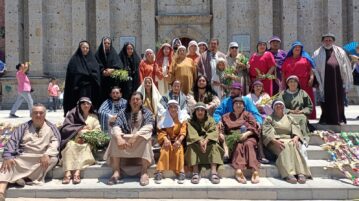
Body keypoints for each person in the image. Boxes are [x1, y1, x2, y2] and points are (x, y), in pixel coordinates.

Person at [0, 104, 61, 201]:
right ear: (31, 115)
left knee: (53, 159)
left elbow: (55, 142)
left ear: (45, 115)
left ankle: (25, 178)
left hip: (41, 157)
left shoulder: (51, 128)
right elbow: (13, 141)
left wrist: (47, 154)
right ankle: (1, 192)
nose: (38, 115)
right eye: (35, 113)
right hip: (24, 156)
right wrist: (8, 156)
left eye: (41, 113)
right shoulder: (23, 127)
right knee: (8, 163)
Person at [104, 92, 154, 186]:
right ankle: (116, 172)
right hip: (125, 142)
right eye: (133, 99)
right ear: (130, 102)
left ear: (141, 102)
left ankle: (144, 172)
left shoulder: (146, 112)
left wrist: (136, 136)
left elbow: (150, 126)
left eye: (137, 99)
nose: (135, 101)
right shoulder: (123, 112)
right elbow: (116, 126)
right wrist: (119, 138)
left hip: (138, 141)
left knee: (146, 138)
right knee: (115, 138)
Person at [213, 82, 269, 164]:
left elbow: (255, 112)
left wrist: (258, 121)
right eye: (232, 89)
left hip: (244, 126)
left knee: (257, 127)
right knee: (221, 130)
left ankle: (261, 155)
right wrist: (218, 120)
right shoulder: (226, 101)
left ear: (240, 91)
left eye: (235, 89)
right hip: (230, 125)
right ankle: (226, 153)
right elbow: (217, 113)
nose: (232, 91)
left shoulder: (247, 100)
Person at [262, 100, 311, 184]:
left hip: (289, 139)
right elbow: (266, 132)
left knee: (293, 145)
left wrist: (296, 137)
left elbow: (296, 128)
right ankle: (288, 173)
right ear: (273, 107)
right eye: (276, 105)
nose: (279, 106)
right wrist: (275, 141)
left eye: (280, 105)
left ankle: (300, 172)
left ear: (283, 107)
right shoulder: (269, 118)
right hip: (275, 141)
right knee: (285, 146)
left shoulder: (289, 118)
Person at [312, 33, 353, 125]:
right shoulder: (317, 53)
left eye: (330, 40)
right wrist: (316, 81)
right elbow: (314, 68)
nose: (328, 42)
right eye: (326, 40)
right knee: (324, 101)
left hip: (338, 80)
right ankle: (325, 119)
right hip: (324, 81)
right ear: (322, 41)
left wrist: (345, 81)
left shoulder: (340, 51)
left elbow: (346, 66)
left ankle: (339, 119)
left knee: (339, 100)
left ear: (333, 41)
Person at [60, 97, 101, 185]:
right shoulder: (73, 115)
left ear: (91, 105)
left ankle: (77, 172)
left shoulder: (94, 117)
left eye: (88, 104)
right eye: (83, 103)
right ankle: (67, 172)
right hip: (74, 140)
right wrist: (79, 130)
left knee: (84, 147)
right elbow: (65, 129)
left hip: (87, 142)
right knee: (69, 145)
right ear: (79, 105)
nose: (86, 105)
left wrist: (87, 132)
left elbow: (98, 131)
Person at [220, 97, 260, 184]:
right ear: (233, 106)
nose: (238, 105)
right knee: (238, 146)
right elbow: (222, 130)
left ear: (244, 106)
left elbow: (253, 127)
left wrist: (245, 134)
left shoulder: (248, 114)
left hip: (248, 135)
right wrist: (221, 135)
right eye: (236, 104)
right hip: (233, 137)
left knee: (249, 144)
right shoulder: (226, 116)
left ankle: (255, 171)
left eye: (240, 104)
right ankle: (238, 171)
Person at [185, 102, 224, 184]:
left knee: (214, 146)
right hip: (196, 142)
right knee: (191, 146)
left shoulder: (211, 120)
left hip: (208, 142)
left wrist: (206, 141)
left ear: (205, 112)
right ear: (195, 112)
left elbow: (213, 131)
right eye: (198, 110)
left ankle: (213, 173)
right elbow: (192, 133)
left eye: (202, 110)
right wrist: (200, 141)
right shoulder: (190, 121)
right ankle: (195, 172)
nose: (200, 112)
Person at [154, 100, 189, 184]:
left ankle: (181, 171)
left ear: (178, 108)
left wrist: (179, 140)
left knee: (179, 149)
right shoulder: (164, 117)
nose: (173, 109)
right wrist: (165, 139)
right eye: (171, 107)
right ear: (168, 108)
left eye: (175, 107)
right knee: (165, 149)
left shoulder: (182, 119)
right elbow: (160, 131)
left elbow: (183, 131)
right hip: (167, 140)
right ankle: (159, 171)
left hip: (178, 140)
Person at [63, 41, 101, 115]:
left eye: (87, 48)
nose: (85, 49)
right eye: (83, 47)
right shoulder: (74, 60)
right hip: (78, 90)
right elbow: (72, 75)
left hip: (90, 89)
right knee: (79, 108)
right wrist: (85, 75)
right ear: (80, 48)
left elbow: (97, 73)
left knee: (89, 108)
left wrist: (90, 75)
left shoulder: (93, 60)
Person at [282, 41, 316, 119]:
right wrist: (283, 83)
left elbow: (311, 70)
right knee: (292, 99)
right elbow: (283, 73)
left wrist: (311, 78)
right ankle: (293, 113)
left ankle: (309, 115)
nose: (297, 49)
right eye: (296, 47)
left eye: (299, 47)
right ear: (292, 49)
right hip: (291, 83)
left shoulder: (305, 59)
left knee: (306, 98)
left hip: (304, 82)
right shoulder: (287, 60)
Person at [278, 75, 313, 143]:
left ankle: (302, 138)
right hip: (287, 114)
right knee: (288, 119)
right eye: (291, 82)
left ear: (297, 83)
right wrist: (290, 111)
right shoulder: (283, 94)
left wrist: (302, 111)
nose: (293, 83)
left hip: (300, 114)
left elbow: (309, 106)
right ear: (287, 84)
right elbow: (279, 106)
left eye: (295, 82)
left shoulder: (303, 93)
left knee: (302, 118)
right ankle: (291, 136)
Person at [95, 37, 123, 103]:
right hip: (102, 82)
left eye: (108, 43)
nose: (107, 44)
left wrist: (112, 70)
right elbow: (95, 65)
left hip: (112, 82)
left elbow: (119, 66)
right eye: (105, 43)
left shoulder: (114, 54)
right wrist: (102, 71)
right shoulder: (98, 54)